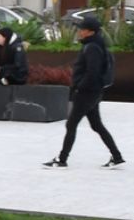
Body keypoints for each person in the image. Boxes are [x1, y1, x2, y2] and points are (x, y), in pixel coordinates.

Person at [44, 11, 122, 169]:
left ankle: (62, 159)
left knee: (71, 124)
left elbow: (92, 72)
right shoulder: (95, 45)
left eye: (82, 29)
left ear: (90, 31)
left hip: (87, 92)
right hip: (93, 92)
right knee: (96, 125)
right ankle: (117, 156)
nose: (79, 31)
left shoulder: (92, 47)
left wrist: (80, 87)